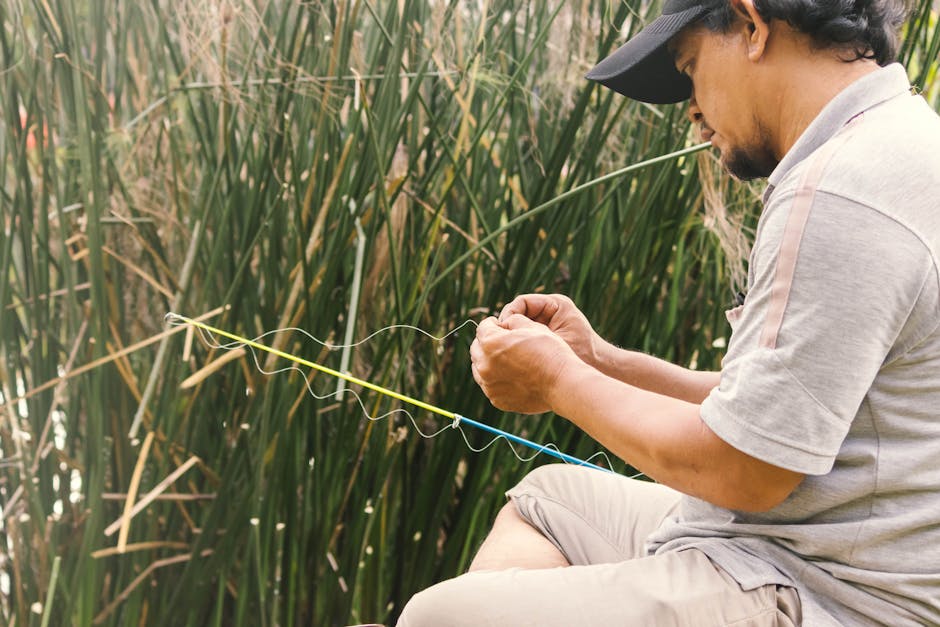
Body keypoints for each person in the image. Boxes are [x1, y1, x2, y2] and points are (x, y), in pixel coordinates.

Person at [398, 0, 940, 624]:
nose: (695, 116)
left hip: (828, 591)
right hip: (793, 545)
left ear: (752, 25)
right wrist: (601, 362)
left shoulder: (840, 192)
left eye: (689, 71)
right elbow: (791, 411)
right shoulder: (897, 140)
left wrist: (557, 381)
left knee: (438, 616)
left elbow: (746, 471)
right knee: (546, 498)